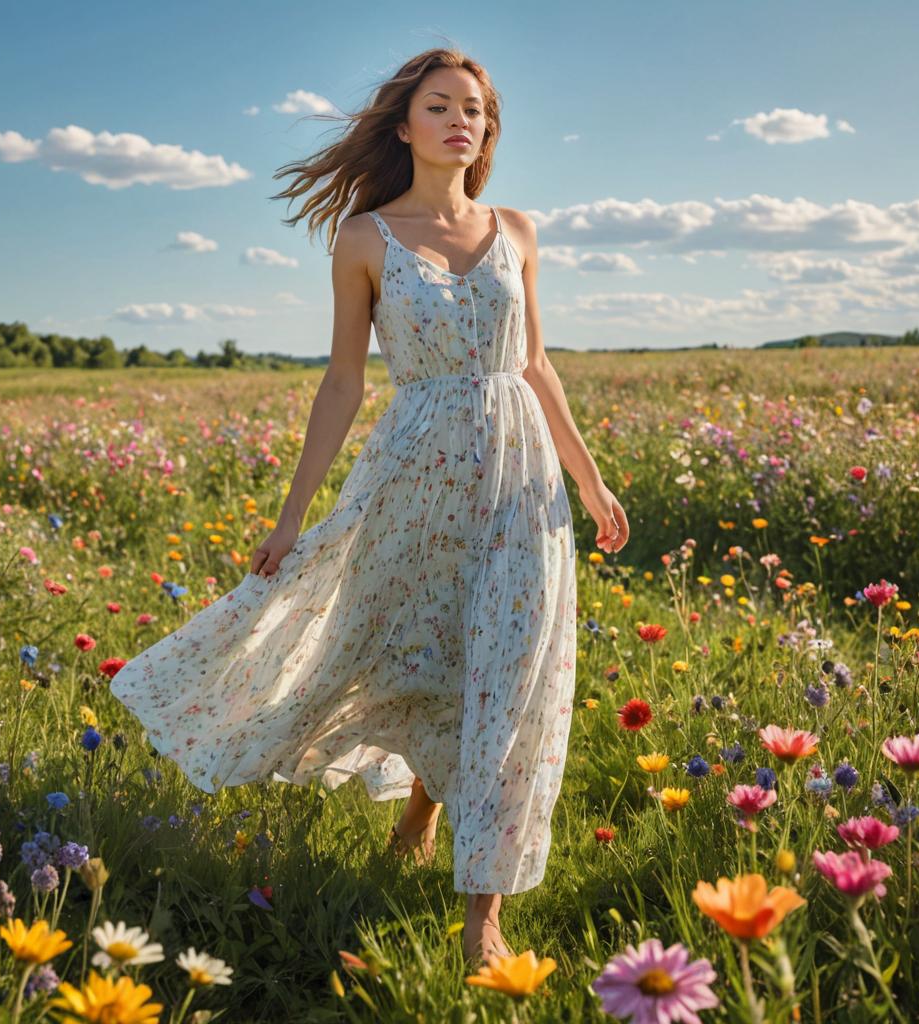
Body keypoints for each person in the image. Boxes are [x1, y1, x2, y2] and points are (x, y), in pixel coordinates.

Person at [110, 46, 629, 967]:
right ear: (405, 126)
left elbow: (536, 363)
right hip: (415, 474)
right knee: (416, 645)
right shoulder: (364, 239)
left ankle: (484, 911)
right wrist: (290, 515)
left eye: (475, 109)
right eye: (441, 106)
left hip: (519, 475)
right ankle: (420, 813)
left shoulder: (517, 229)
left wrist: (587, 480)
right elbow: (345, 381)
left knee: (514, 673)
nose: (462, 121)